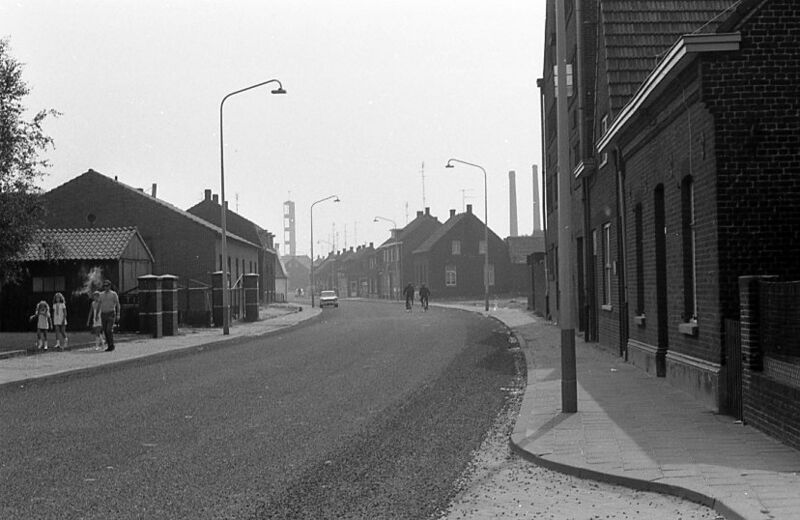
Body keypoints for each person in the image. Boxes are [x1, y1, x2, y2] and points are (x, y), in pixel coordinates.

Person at [98, 280, 120, 352]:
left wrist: (118, 314)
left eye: (107, 286)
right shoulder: (101, 294)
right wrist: (97, 314)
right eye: (104, 286)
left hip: (111, 313)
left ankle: (111, 344)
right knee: (105, 330)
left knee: (109, 329)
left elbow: (117, 304)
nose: (106, 287)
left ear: (110, 286)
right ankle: (109, 345)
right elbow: (99, 304)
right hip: (103, 314)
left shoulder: (113, 294)